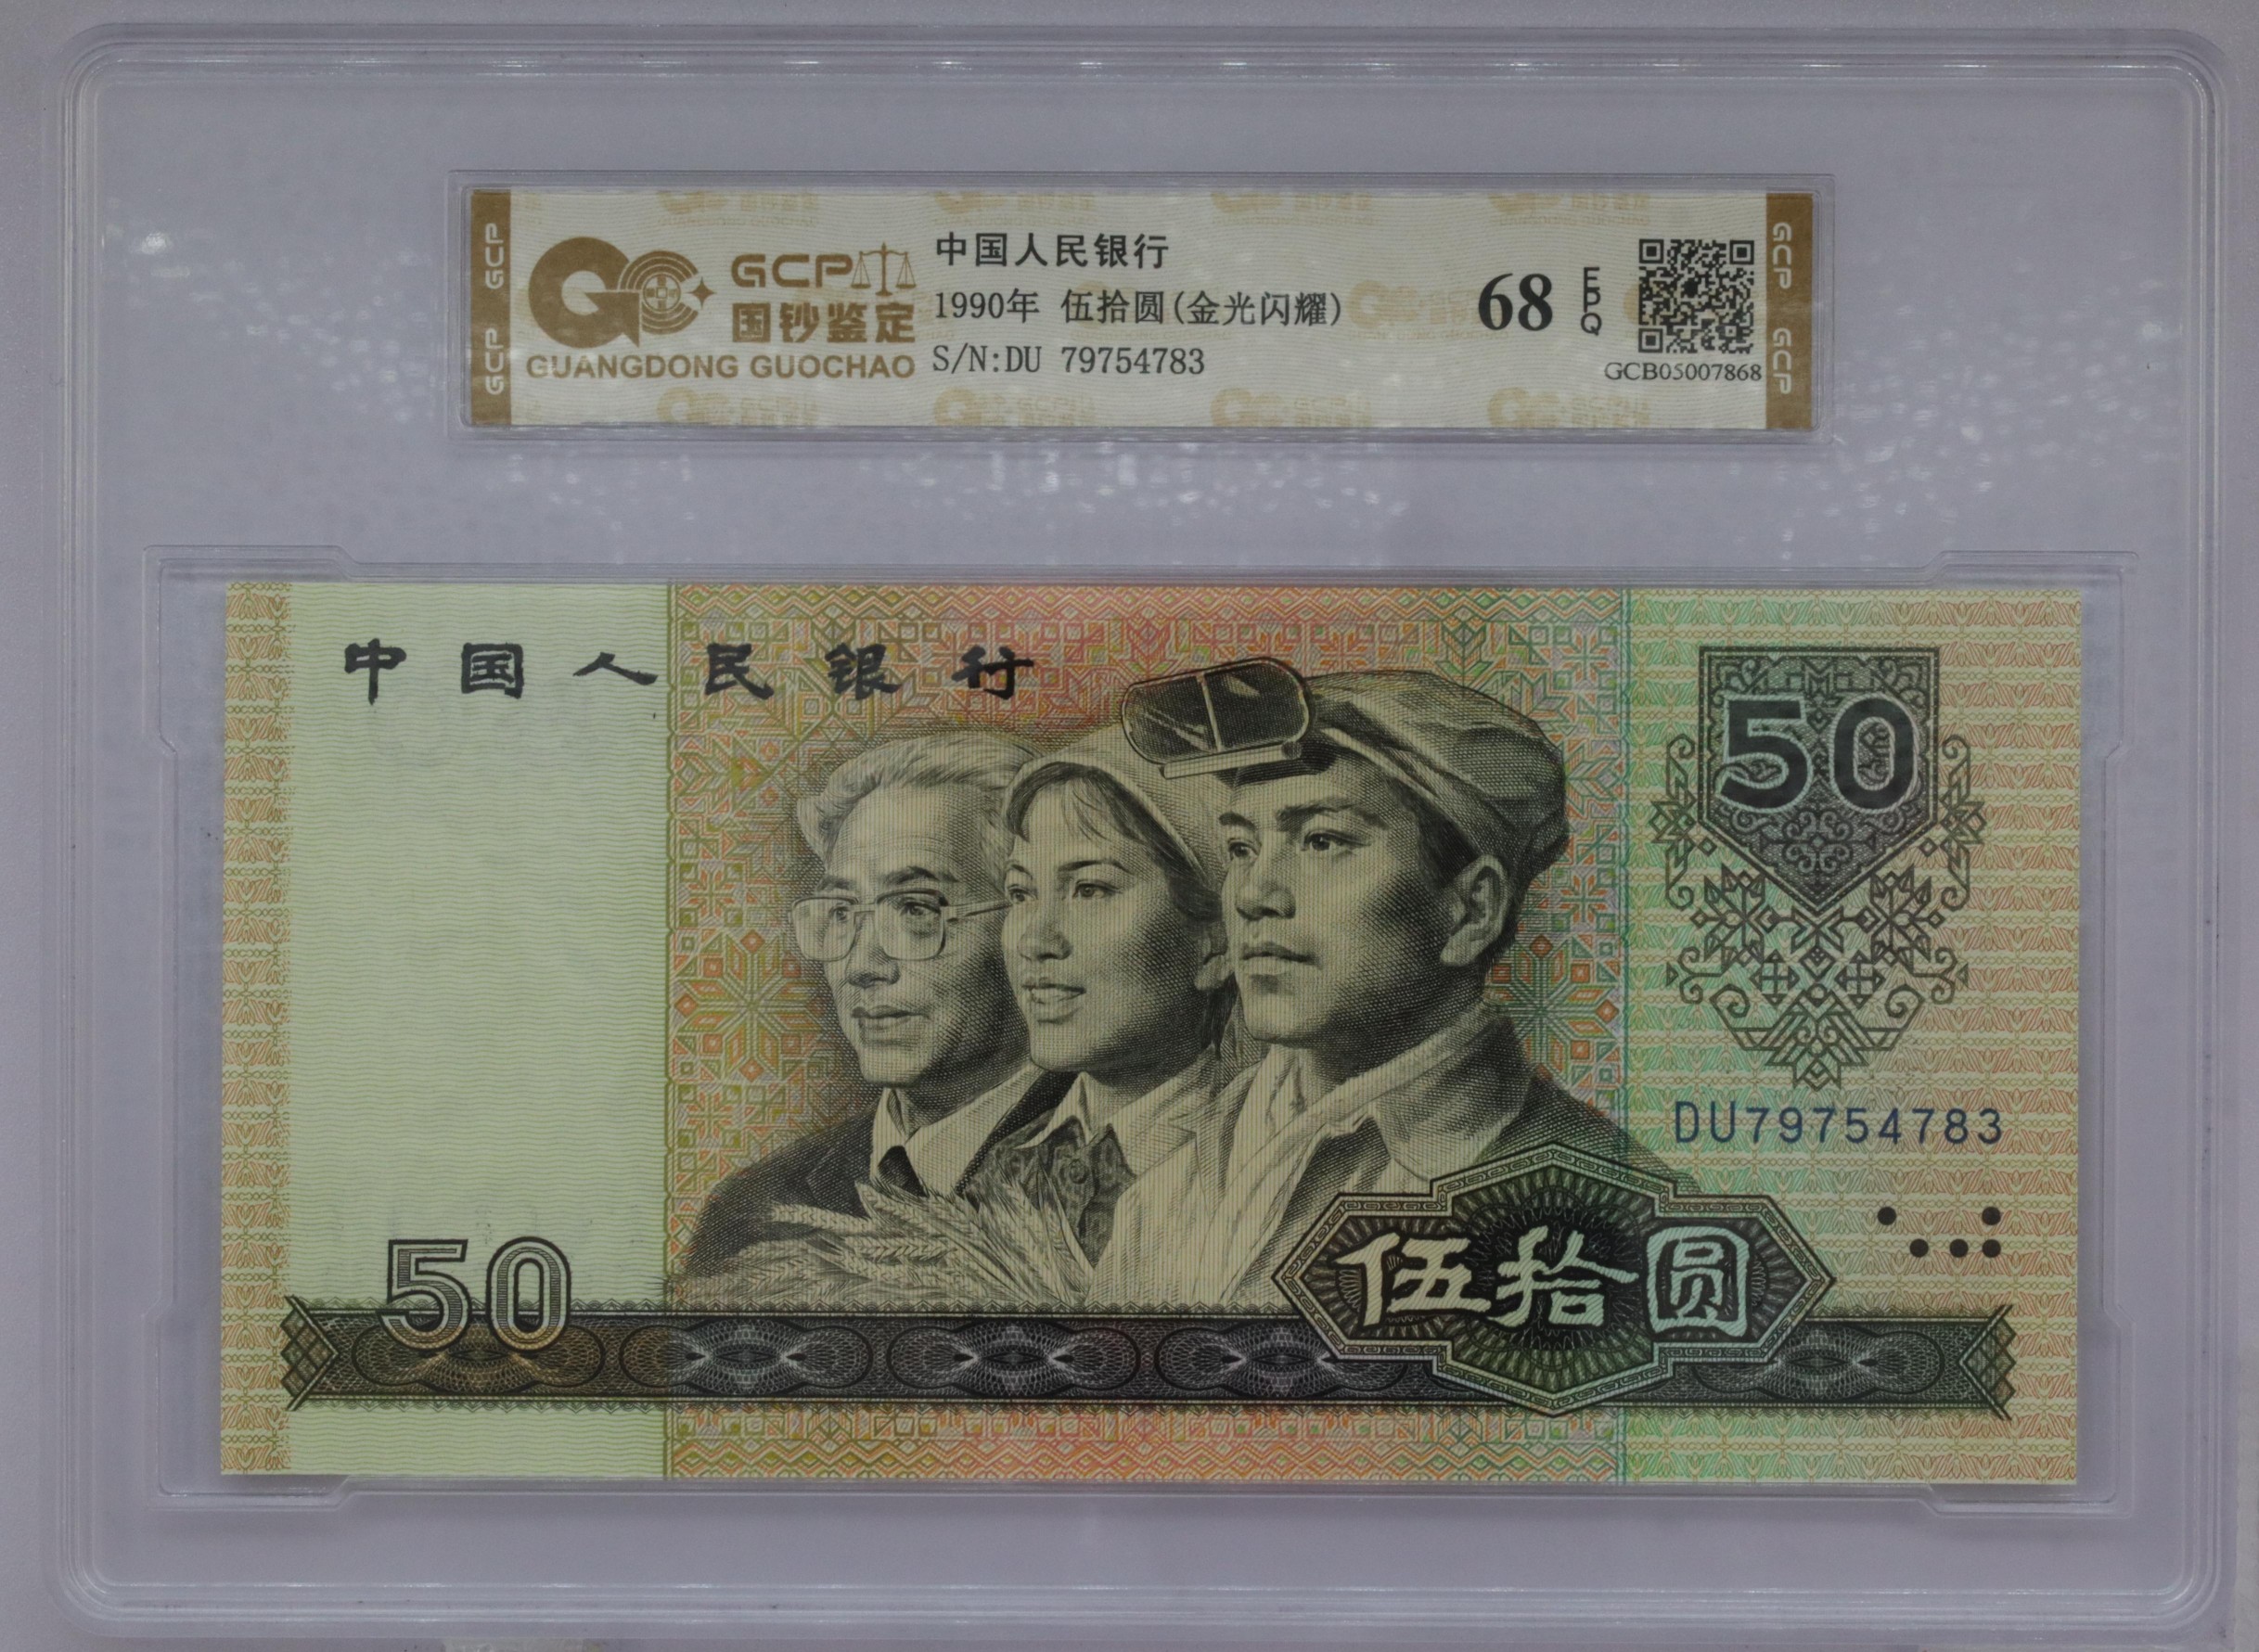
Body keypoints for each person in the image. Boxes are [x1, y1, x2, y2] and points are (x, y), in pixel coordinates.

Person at [1102, 667, 1658, 1310]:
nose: (1253, 893)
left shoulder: (1608, 1208)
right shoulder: (1173, 1185)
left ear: (1470, 910)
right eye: (1240, 847)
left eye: (1321, 840)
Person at [682, 731, 1068, 1279]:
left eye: (916, 910)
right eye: (841, 913)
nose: (862, 966)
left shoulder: (1124, 1183)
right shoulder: (755, 1210)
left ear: (1026, 921)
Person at [972, 729, 1239, 1277]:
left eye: (1090, 889)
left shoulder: (1257, 1165)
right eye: (1021, 893)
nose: (1035, 940)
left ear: (1215, 943)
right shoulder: (1000, 1170)